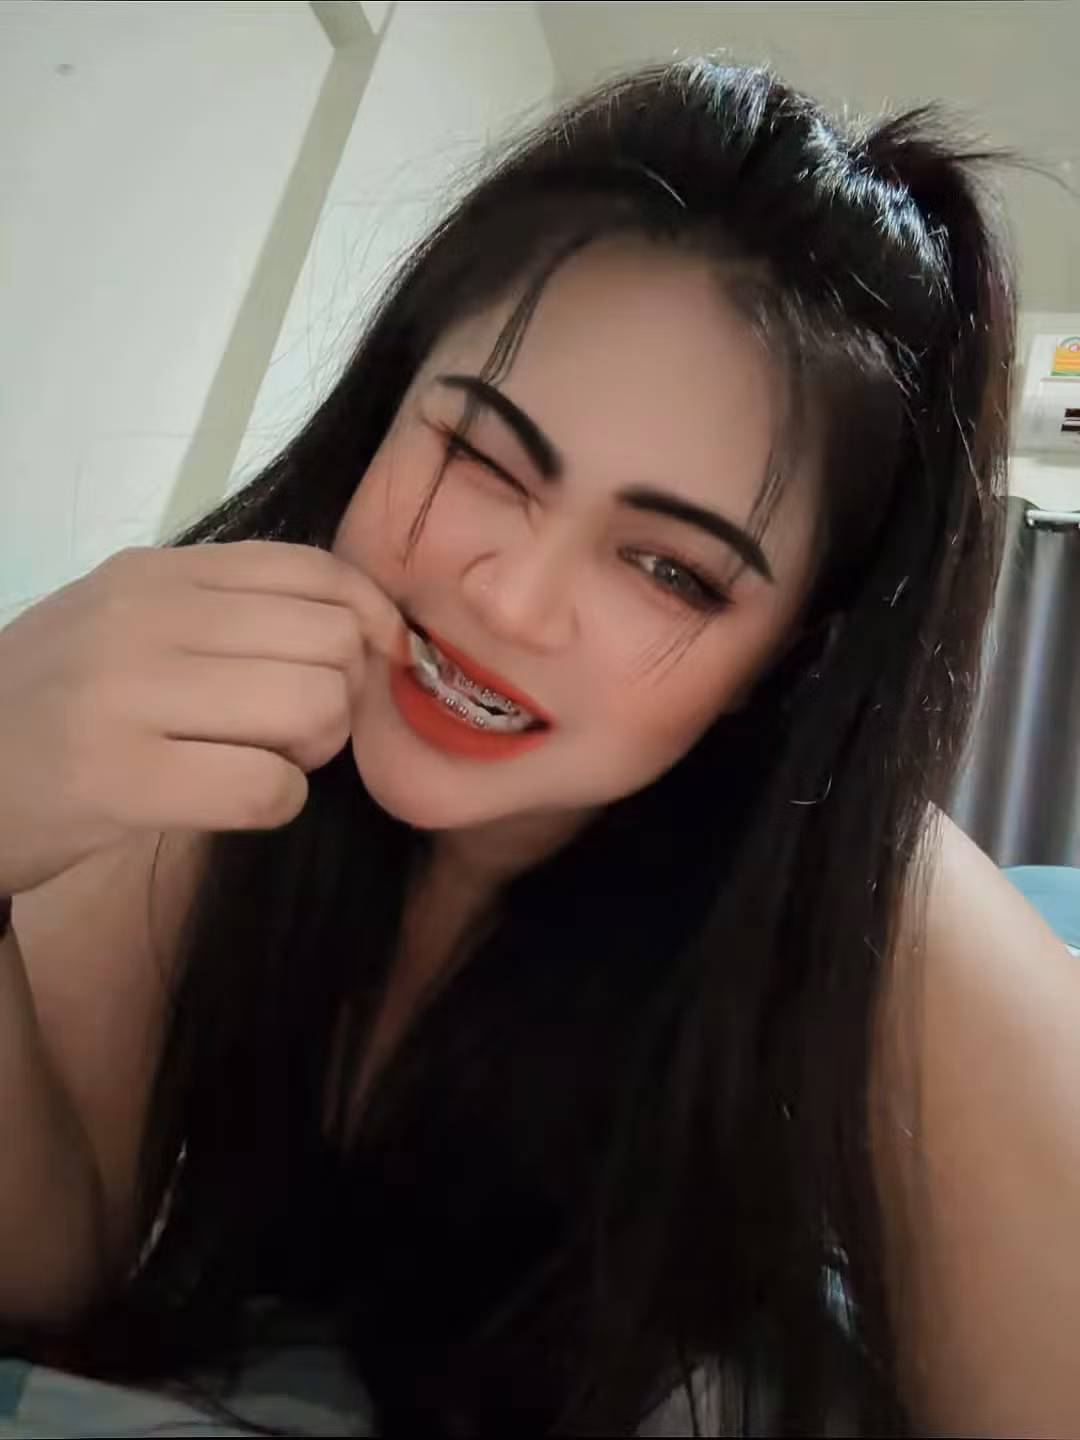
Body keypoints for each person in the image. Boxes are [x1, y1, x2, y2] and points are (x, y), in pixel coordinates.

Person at [0, 57, 1077, 1438]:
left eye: (673, 570)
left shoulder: (879, 918)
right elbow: (47, 1257)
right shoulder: (234, 741)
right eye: (483, 456)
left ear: (789, 660)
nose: (508, 600)